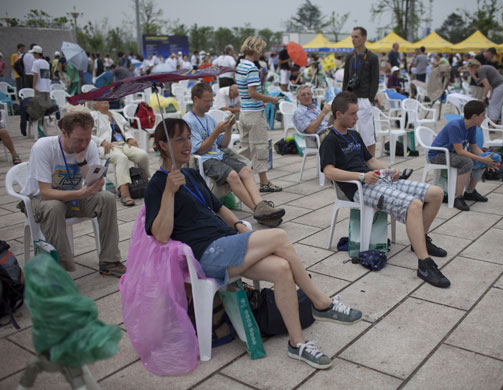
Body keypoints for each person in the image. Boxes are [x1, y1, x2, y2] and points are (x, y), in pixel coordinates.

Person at [146, 118, 362, 369]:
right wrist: (169, 193)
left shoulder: (191, 174)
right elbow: (160, 235)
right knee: (279, 237)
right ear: (162, 145)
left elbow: (218, 207)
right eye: (179, 139)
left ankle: (298, 343)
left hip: (226, 244)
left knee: (282, 269)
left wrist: (238, 225)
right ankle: (321, 302)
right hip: (205, 256)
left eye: (188, 137)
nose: (187, 144)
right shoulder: (158, 185)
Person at [320, 91, 449, 287]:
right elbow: (328, 172)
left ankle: (420, 240)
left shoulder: (353, 134)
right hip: (360, 188)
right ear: (338, 114)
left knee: (436, 193)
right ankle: (424, 264)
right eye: (353, 114)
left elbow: (369, 160)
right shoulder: (330, 140)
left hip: (377, 181)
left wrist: (389, 170)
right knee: (413, 205)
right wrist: (361, 176)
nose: (357, 118)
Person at [21, 112, 125, 276]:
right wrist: (81, 193)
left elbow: (95, 182)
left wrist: (83, 164)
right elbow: (46, 193)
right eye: (78, 139)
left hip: (72, 199)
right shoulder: (44, 147)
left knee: (107, 199)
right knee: (54, 206)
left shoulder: (88, 147)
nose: (84, 144)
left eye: (87, 138)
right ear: (64, 133)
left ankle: (109, 261)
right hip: (39, 201)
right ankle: (60, 269)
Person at [184, 83, 285, 227]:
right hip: (205, 159)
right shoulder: (188, 121)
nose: (210, 103)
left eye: (211, 100)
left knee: (246, 170)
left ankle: (261, 207)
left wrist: (229, 128)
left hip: (218, 154)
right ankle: (259, 211)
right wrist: (215, 132)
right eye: (207, 101)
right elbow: (200, 150)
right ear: (196, 99)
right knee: (232, 175)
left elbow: (223, 144)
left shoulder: (209, 118)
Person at [428, 100, 498, 211]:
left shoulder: (472, 127)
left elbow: (474, 148)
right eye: (483, 115)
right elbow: (460, 151)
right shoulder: (455, 126)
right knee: (467, 162)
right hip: (438, 155)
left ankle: (470, 192)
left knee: (485, 159)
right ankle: (457, 197)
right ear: (474, 116)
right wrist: (482, 158)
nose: (484, 118)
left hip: (452, 154)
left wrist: (486, 157)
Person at [236, 36, 282, 193]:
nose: (261, 52)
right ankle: (264, 182)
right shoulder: (252, 68)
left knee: (246, 149)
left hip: (244, 112)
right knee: (260, 148)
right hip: (254, 114)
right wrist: (270, 99)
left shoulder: (241, 66)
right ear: (255, 49)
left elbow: (244, 92)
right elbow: (252, 92)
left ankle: (237, 177)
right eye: (261, 49)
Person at [90, 100, 150, 207]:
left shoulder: (116, 114)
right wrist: (102, 142)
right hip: (108, 146)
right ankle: (124, 192)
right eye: (101, 100)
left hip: (123, 143)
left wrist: (130, 138)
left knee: (142, 155)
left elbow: (127, 128)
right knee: (121, 158)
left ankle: (146, 182)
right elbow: (88, 134)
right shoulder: (93, 116)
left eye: (106, 99)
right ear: (95, 104)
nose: (105, 101)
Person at [342, 27, 379, 157]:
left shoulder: (372, 57)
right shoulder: (350, 57)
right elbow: (346, 79)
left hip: (364, 99)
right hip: (351, 99)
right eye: (352, 37)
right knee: (349, 133)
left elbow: (375, 80)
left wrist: (370, 98)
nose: (353, 39)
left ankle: (371, 163)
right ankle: (352, 161)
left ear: (364, 38)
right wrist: (343, 98)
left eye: (356, 37)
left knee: (367, 135)